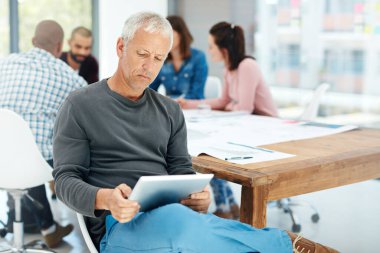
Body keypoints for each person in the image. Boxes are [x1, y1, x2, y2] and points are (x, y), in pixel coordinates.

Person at [52, 12, 338, 253]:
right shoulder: (80, 104)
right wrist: (105, 198)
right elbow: (65, 180)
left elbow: (181, 169)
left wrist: (197, 196)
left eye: (158, 58)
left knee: (189, 221)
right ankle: (286, 244)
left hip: (168, 215)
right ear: (120, 47)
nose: (148, 66)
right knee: (190, 225)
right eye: (142, 54)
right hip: (118, 227)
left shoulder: (169, 110)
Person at [177, 21, 278, 219]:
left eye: (211, 46)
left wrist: (229, 105)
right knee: (209, 151)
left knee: (213, 151)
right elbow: (224, 101)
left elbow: (244, 107)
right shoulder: (228, 69)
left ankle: (227, 206)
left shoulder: (247, 66)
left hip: (267, 126)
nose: (209, 50)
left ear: (223, 49)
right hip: (248, 125)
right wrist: (190, 103)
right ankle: (228, 206)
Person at [0, 20, 87, 248]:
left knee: (15, 146)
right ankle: (48, 228)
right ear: (59, 47)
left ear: (32, 41)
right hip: (35, 166)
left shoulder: (4, 64)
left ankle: (30, 223)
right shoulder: (70, 78)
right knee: (40, 148)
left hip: (1, 159)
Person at [149, 15, 208, 99]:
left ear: (181, 34)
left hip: (192, 109)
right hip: (170, 108)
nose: (165, 39)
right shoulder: (161, 59)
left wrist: (170, 101)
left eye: (169, 34)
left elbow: (196, 95)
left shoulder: (198, 57)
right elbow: (151, 90)